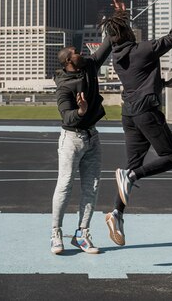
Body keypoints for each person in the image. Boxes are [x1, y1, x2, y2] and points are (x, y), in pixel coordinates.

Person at [101, 0, 172, 247]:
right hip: (146, 112)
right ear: (128, 33)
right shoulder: (142, 49)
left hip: (129, 113)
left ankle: (116, 213)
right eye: (129, 28)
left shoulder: (118, 56)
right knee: (170, 157)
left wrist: (164, 82)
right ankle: (131, 177)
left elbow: (140, 80)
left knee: (131, 165)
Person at [51, 36, 111, 255]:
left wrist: (118, 18)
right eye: (76, 51)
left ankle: (81, 234)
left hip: (92, 136)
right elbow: (67, 117)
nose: (80, 53)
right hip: (71, 140)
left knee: (92, 187)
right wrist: (81, 112)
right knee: (65, 185)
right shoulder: (64, 87)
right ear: (68, 60)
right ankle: (56, 233)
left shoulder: (89, 67)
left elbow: (108, 44)